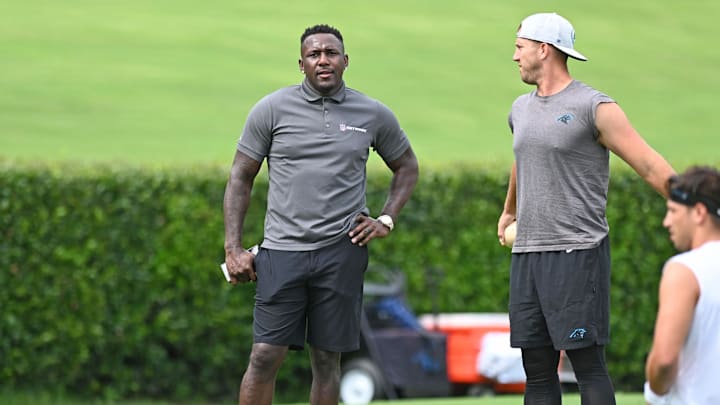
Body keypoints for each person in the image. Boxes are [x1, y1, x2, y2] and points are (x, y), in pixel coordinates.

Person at [222, 24, 419, 405]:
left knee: (328, 360)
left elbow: (407, 167)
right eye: (314, 54)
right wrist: (233, 247)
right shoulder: (271, 109)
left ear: (346, 61)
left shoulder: (372, 112)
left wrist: (385, 219)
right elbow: (240, 177)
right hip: (281, 252)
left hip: (341, 252)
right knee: (264, 355)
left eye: (331, 53)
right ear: (301, 64)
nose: (323, 60)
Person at [496, 12, 676, 405]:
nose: (515, 57)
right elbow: (522, 156)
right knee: (537, 371)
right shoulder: (520, 109)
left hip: (577, 252)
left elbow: (647, 163)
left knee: (586, 364)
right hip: (528, 252)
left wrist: (699, 206)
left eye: (520, 47)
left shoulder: (594, 106)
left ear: (544, 49)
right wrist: (510, 210)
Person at [643, 166, 720, 405]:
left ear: (698, 212)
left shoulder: (684, 270)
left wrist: (654, 394)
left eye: (673, 211)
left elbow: (665, 359)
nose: (667, 221)